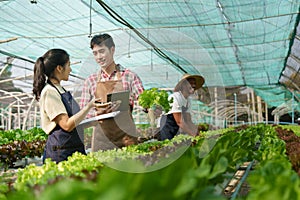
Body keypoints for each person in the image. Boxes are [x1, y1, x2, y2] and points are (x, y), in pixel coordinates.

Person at [33, 49, 100, 163]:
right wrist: (89, 106)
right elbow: (67, 125)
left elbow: (74, 123)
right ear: (59, 68)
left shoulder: (60, 89)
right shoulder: (50, 92)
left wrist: (97, 120)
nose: (70, 69)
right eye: (68, 65)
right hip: (61, 154)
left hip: (72, 149)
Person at [79, 33, 144, 151]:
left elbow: (143, 100)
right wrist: (99, 113)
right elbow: (83, 113)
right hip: (101, 141)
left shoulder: (129, 76)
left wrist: (151, 108)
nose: (99, 57)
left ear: (112, 50)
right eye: (95, 53)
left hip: (126, 138)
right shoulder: (90, 81)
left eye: (102, 51)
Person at [159, 74, 205, 140]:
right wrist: (193, 134)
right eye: (190, 83)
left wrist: (198, 133)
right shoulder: (175, 97)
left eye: (194, 83)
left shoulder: (188, 100)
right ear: (183, 85)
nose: (193, 85)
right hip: (167, 126)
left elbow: (188, 120)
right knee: (168, 145)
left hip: (175, 127)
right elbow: (179, 122)